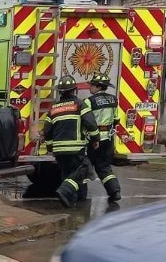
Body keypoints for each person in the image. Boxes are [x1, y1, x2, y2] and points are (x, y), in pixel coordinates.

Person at [42, 74, 98, 208]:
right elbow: (90, 123)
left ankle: (71, 200)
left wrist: (50, 149)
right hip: (75, 148)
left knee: (66, 173)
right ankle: (65, 190)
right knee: (82, 169)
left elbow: (47, 131)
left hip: (59, 150)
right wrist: (96, 139)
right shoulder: (80, 105)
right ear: (74, 90)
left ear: (60, 91)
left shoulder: (53, 109)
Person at [84, 72, 122, 202]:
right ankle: (115, 191)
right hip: (108, 139)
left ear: (98, 87)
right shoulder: (114, 100)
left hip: (94, 139)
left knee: (84, 165)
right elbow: (117, 119)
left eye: (92, 85)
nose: (90, 87)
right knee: (104, 167)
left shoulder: (89, 101)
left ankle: (78, 194)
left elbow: (87, 120)